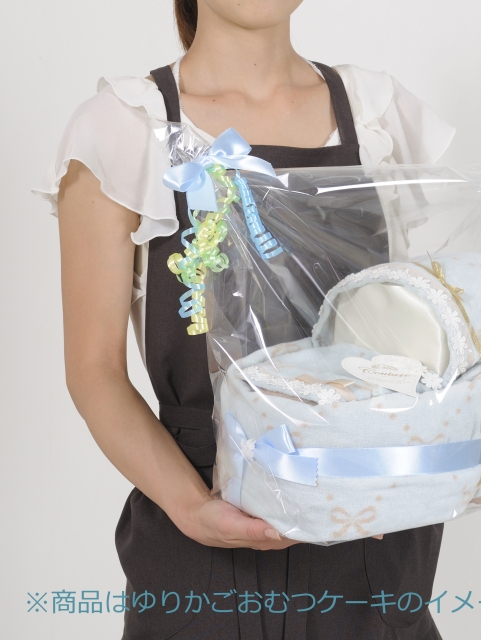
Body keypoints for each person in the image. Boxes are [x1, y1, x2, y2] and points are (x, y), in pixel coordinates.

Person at [34, 1, 455, 638]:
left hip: (367, 536)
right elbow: (94, 372)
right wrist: (192, 508)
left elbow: (407, 325)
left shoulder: (378, 115)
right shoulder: (123, 128)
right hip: (202, 538)